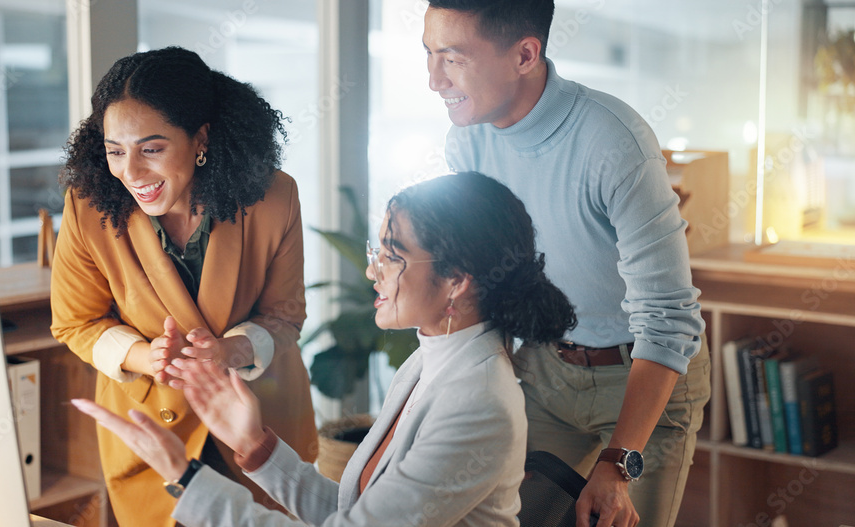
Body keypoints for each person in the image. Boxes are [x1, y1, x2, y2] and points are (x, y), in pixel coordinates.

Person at [72, 171, 578, 526]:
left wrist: (186, 475)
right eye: (375, 250)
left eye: (391, 255)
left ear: (457, 282)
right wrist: (257, 447)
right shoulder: (433, 357)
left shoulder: (479, 402)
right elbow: (353, 512)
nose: (371, 270)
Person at [422, 2, 711, 527]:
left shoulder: (613, 142)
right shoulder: (466, 141)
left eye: (452, 58)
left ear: (525, 55)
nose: (433, 79)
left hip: (641, 372)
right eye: (428, 54)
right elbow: (492, 281)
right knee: (501, 516)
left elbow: (669, 320)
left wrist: (619, 463)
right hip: (545, 367)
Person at [50, 46, 318, 526]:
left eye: (151, 149)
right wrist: (145, 356)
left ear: (201, 139)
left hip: (259, 428)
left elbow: (284, 316)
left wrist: (229, 352)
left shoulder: (275, 197)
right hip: (156, 430)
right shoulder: (87, 206)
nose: (131, 172)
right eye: (115, 151)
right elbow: (76, 321)